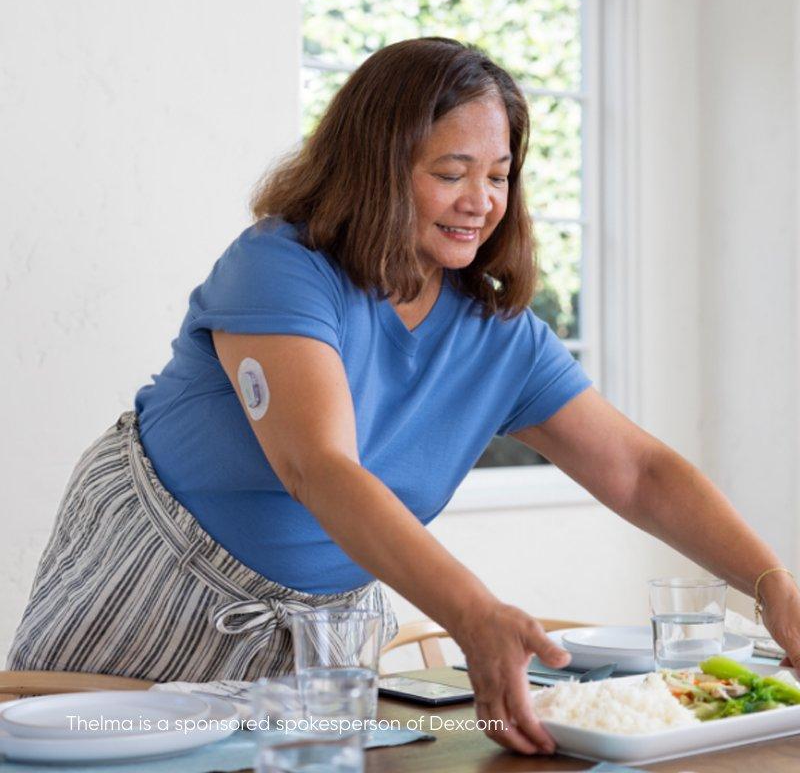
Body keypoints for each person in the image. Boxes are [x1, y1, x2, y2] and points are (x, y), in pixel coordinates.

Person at [8, 37, 800, 756]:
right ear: (375, 165)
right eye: (450, 173)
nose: (481, 201)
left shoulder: (497, 329)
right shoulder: (279, 267)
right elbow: (318, 466)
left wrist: (772, 587)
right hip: (158, 584)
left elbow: (638, 473)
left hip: (322, 636)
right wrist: (473, 612)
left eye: (498, 175)